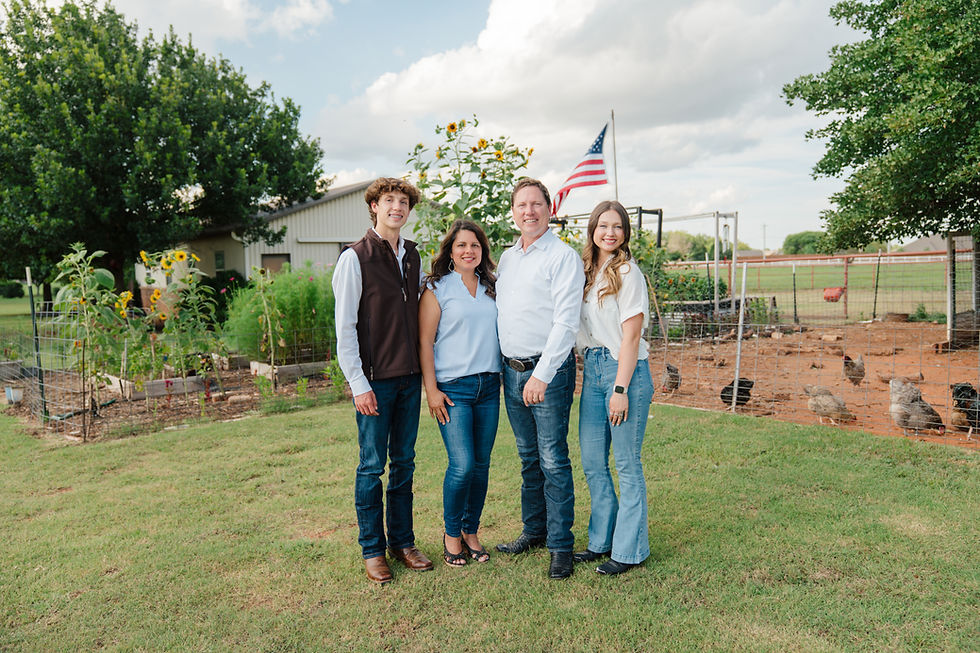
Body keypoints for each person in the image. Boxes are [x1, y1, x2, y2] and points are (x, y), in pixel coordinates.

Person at [332, 177, 433, 585]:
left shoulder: (412, 255)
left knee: (404, 464)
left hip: (409, 379)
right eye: (389, 200)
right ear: (374, 206)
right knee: (372, 467)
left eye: (404, 201)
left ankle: (403, 542)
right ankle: (373, 549)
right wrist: (358, 383)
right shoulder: (354, 258)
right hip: (375, 384)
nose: (397, 207)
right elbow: (344, 329)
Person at [494, 178, 585, 580]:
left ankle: (560, 546)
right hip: (510, 371)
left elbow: (566, 323)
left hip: (547, 372)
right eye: (521, 205)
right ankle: (534, 530)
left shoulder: (563, 258)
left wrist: (542, 376)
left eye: (536, 204)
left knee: (552, 459)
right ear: (512, 211)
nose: (528, 211)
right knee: (528, 457)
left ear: (550, 208)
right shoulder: (507, 257)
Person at [574, 200, 654, 575]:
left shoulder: (627, 272)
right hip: (592, 371)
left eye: (617, 226)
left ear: (625, 233)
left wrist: (620, 390)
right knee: (592, 461)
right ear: (592, 229)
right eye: (603, 225)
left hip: (625, 373)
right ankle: (600, 541)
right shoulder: (589, 273)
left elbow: (632, 335)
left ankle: (629, 550)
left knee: (626, 463)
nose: (610, 232)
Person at [418, 220, 501, 568]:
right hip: (454, 389)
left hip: (489, 386)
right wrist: (431, 390)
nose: (468, 251)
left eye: (475, 245)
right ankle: (451, 534)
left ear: (482, 251)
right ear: (450, 251)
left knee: (481, 467)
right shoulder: (437, 288)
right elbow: (424, 341)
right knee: (462, 464)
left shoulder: (491, 288)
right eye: (461, 245)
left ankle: (471, 532)